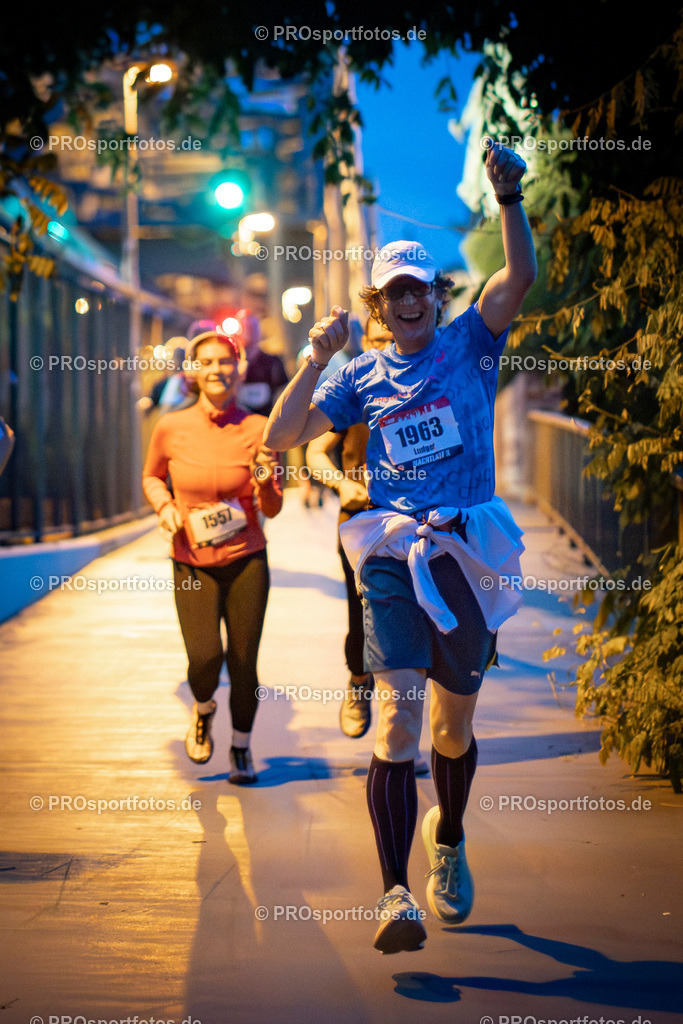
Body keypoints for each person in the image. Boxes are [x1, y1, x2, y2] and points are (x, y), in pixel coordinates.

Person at [265, 140, 536, 953]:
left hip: (465, 551)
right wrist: (315, 358)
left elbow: (516, 278)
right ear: (376, 304)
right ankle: (393, 895)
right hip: (389, 551)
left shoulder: (468, 344)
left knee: (452, 729)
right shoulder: (358, 374)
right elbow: (282, 436)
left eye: (419, 288)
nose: (409, 303)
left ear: (434, 293)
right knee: (397, 727)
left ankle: (446, 836)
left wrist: (507, 196)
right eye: (394, 293)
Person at [143, 328, 282, 784]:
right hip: (191, 561)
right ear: (193, 371)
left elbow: (274, 508)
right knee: (204, 659)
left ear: (238, 370)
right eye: (207, 362)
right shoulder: (171, 427)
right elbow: (152, 478)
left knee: (243, 662)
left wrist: (264, 482)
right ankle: (203, 709)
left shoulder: (259, 428)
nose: (217, 370)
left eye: (225, 361)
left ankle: (241, 748)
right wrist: (165, 508)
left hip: (247, 559)